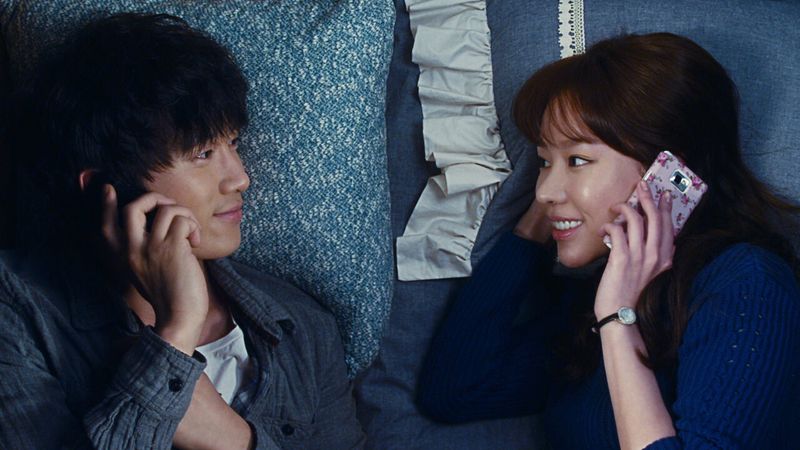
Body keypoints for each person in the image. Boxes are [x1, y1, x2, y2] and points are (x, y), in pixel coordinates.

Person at [417, 33, 800, 449]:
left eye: (577, 160)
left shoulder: (748, 286)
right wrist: (530, 233)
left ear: (667, 174)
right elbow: (455, 391)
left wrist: (618, 321)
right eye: (544, 162)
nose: (544, 191)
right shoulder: (595, 301)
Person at [0, 13, 364, 449]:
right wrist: (175, 335)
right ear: (103, 187)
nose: (240, 178)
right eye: (203, 153)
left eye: (233, 143)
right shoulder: (19, 313)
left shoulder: (303, 328)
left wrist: (237, 441)